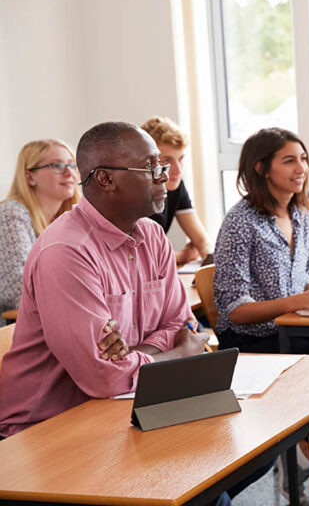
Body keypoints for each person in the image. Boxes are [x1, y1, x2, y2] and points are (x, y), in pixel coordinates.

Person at [0, 122, 209, 436]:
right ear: (107, 179)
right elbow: (102, 376)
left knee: (231, 453)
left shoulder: (152, 235)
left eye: (161, 165)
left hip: (122, 403)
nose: (164, 175)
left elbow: (183, 325)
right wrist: (180, 354)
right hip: (44, 426)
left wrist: (132, 354)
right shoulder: (66, 251)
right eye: (150, 167)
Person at [213, 127, 309, 353]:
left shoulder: (299, 214)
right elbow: (236, 310)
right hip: (252, 340)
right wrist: (298, 301)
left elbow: (298, 281)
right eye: (289, 161)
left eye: (303, 159)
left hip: (291, 330)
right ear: (261, 168)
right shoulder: (240, 222)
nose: (301, 168)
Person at [0, 140, 80, 313]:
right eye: (57, 165)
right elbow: (17, 290)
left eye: (72, 165)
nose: (69, 173)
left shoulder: (68, 220)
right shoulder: (10, 214)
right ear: (29, 177)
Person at [140, 116, 211, 265]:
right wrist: (183, 256)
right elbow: (145, 258)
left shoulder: (176, 186)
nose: (178, 170)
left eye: (180, 159)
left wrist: (210, 259)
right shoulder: (135, 196)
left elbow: (202, 242)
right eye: (167, 161)